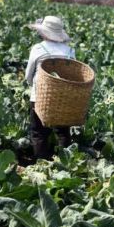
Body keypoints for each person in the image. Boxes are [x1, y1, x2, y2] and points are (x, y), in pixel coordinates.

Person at [24, 16, 75, 161]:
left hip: (40, 97)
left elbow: (28, 75)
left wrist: (32, 85)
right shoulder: (69, 51)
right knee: (63, 132)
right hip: (63, 98)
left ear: (45, 33)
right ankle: (66, 161)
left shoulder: (38, 48)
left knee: (39, 132)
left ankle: (42, 162)